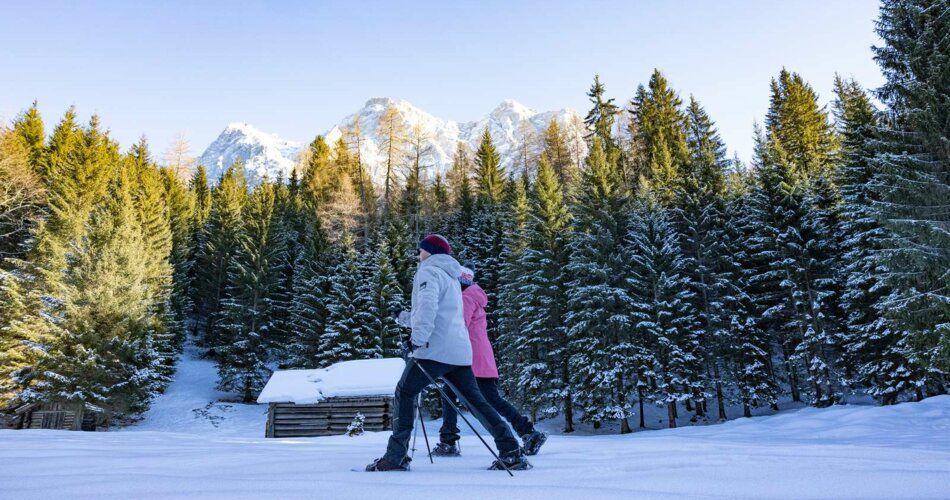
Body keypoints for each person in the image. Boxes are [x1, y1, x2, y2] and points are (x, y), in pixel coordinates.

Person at [365, 234, 531, 472]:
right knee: (477, 402)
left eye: (421, 250)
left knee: (405, 391)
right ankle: (511, 451)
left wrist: (417, 341)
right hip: (460, 353)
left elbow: (427, 308)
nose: (419, 254)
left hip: (434, 351)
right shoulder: (452, 277)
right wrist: (402, 318)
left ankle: (395, 456)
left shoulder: (428, 272)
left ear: (429, 252)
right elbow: (440, 313)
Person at [431, 263, 547, 458]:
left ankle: (528, 432)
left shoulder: (466, 298)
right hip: (469, 358)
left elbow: (458, 326)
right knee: (450, 395)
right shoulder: (471, 296)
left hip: (471, 360)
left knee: (489, 400)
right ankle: (448, 440)